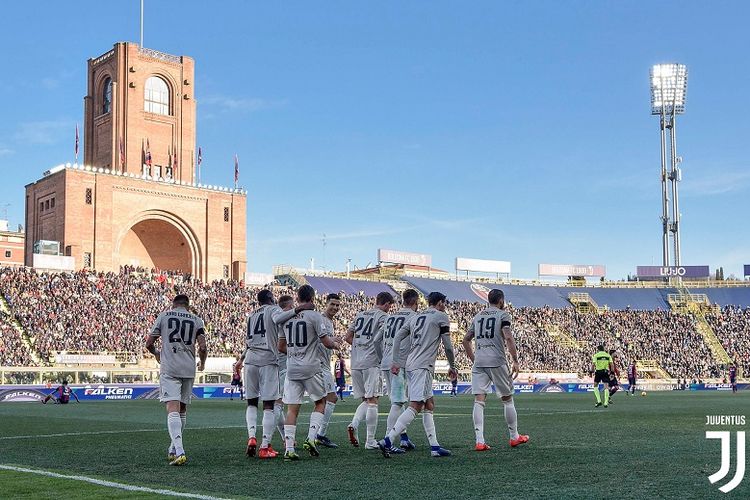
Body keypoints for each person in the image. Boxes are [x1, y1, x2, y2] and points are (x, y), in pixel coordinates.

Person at [378, 291, 457, 458]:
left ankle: (435, 447)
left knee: (429, 404)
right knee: (416, 405)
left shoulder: (416, 317)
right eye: (444, 303)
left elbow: (398, 336)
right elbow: (448, 346)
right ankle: (388, 440)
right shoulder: (441, 316)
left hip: (410, 363)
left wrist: (396, 360)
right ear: (441, 303)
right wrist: (453, 365)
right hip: (423, 365)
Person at [235, 289, 312, 459]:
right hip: (267, 360)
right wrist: (299, 309)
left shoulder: (252, 315)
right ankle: (264, 446)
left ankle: (252, 437)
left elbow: (248, 342)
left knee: (252, 403)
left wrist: (241, 359)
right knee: (270, 405)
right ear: (270, 299)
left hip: (250, 360)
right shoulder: (273, 310)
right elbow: (278, 318)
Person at [278, 285, 342, 461]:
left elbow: (281, 347)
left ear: (297, 298)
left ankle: (289, 449)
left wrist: (294, 354)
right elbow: (326, 342)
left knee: (292, 409)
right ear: (313, 298)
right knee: (321, 402)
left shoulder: (287, 319)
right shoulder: (315, 317)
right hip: (311, 367)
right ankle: (312, 438)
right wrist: (336, 345)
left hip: (292, 368)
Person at [462, 289, 528, 451]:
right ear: (501, 301)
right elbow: (508, 337)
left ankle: (479, 441)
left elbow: (466, 340)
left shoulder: (477, 317)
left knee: (479, 400)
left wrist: (474, 359)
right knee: (507, 399)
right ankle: (514, 437)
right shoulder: (502, 315)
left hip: (480, 361)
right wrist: (515, 360)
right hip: (497, 360)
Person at [145, 294, 207, 466]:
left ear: (174, 304)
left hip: (170, 366)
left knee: (172, 407)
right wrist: (202, 362)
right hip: (188, 368)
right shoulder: (196, 319)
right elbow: (202, 346)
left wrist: (157, 353)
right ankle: (173, 447)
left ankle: (180, 451)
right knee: (182, 410)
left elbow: (149, 342)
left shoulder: (164, 316)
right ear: (188, 305)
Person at [345, 291, 394, 450]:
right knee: (373, 401)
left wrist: (360, 346)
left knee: (366, 400)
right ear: (386, 304)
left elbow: (347, 337)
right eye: (390, 306)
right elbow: (380, 338)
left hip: (355, 362)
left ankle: (355, 425)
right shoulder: (383, 317)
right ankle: (369, 440)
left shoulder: (359, 315)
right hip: (371, 361)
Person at [380, 289, 419, 451]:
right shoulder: (414, 317)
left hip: (386, 362)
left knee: (398, 400)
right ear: (415, 302)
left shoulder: (390, 317)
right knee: (398, 402)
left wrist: (381, 357)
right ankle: (388, 440)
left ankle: (403, 437)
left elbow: (377, 340)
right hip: (400, 364)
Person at [315, 293, 343, 448]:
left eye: (338, 305)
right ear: (325, 303)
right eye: (332, 304)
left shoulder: (330, 322)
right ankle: (319, 435)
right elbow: (322, 340)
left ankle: (316, 434)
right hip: (318, 365)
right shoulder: (320, 319)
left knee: (324, 400)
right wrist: (333, 342)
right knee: (331, 398)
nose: (335, 307)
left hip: (324, 364)